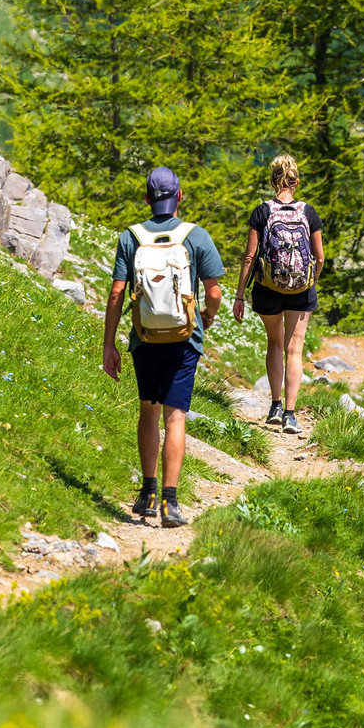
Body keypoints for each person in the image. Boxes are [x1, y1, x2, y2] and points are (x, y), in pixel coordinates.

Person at [102, 164, 224, 528]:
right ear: (179, 197)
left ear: (146, 199)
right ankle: (171, 504)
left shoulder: (131, 237)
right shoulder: (196, 235)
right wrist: (206, 315)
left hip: (145, 337)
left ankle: (147, 493)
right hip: (184, 338)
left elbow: (116, 293)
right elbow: (214, 292)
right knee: (176, 416)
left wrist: (109, 344)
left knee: (148, 410)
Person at [234, 152, 323, 436]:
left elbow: (250, 257)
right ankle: (290, 415)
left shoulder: (261, 212)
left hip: (267, 288)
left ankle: (274, 406)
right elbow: (319, 258)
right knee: (294, 349)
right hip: (301, 289)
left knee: (275, 344)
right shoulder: (309, 213)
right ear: (296, 182)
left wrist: (239, 296)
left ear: (274, 181)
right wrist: (310, 281)